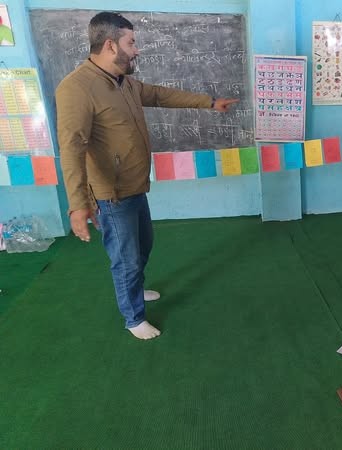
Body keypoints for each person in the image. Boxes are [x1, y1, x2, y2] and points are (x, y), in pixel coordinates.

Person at [56, 12, 238, 340]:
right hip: (112, 194)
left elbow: (158, 95)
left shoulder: (123, 82)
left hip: (135, 186)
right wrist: (77, 204)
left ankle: (135, 292)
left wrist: (208, 103)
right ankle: (133, 317)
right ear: (110, 45)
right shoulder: (77, 88)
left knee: (143, 246)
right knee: (125, 257)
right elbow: (71, 149)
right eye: (131, 42)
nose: (136, 49)